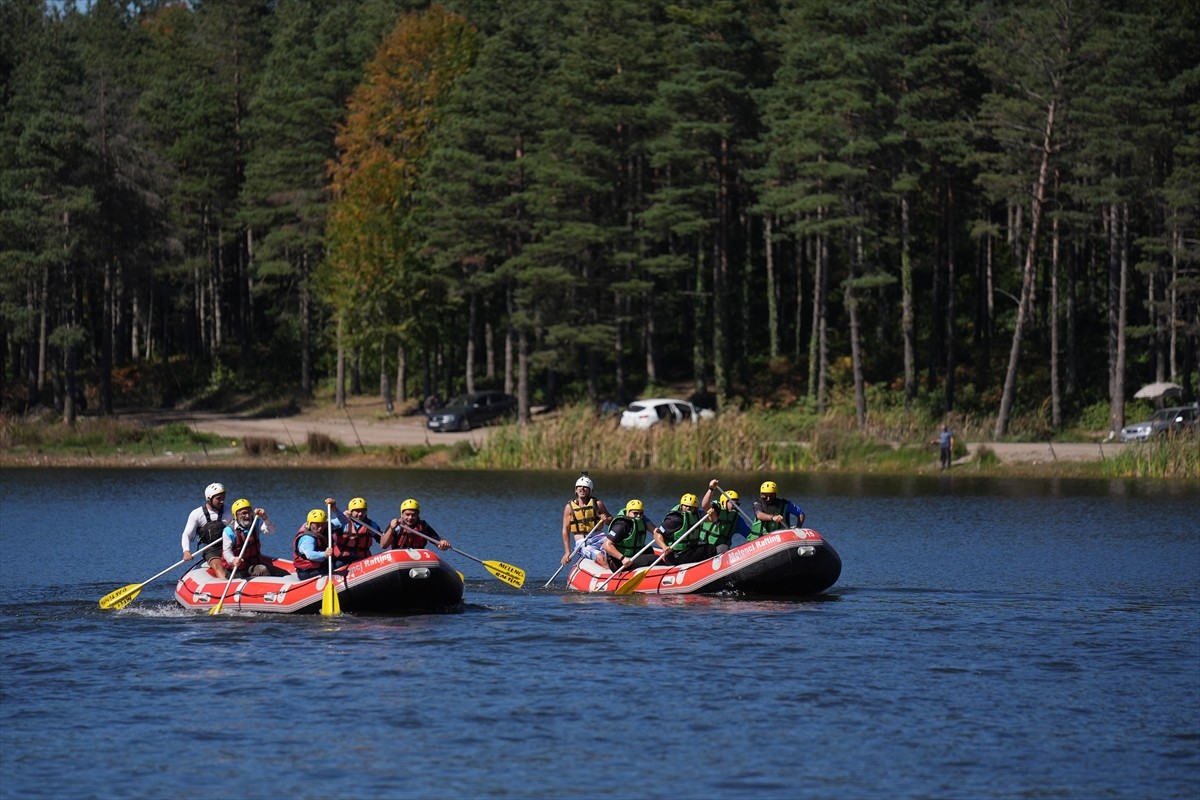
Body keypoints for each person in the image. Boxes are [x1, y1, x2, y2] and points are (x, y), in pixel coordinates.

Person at [561, 472, 613, 567]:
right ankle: (610, 573)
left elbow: (611, 520)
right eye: (579, 487)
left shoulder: (597, 504)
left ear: (590, 490)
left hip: (599, 538)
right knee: (601, 557)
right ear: (576, 490)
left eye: (585, 487)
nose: (582, 489)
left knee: (615, 551)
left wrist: (605, 518)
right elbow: (565, 529)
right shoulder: (569, 508)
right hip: (582, 541)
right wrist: (567, 552)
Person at [181, 482, 231, 579]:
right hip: (211, 549)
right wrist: (186, 551)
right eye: (218, 498)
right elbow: (187, 534)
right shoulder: (196, 514)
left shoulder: (230, 511)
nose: (222, 501)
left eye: (223, 498)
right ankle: (224, 582)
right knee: (217, 565)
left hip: (229, 546)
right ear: (209, 499)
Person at [653, 492, 718, 565]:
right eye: (685, 506)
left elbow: (713, 519)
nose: (687, 508)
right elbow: (657, 533)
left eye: (690, 507)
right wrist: (664, 546)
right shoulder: (675, 519)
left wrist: (712, 513)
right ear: (681, 506)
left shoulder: (697, 515)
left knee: (709, 547)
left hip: (689, 550)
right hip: (676, 555)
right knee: (710, 549)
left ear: (695, 509)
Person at [221, 498, 278, 578]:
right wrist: (233, 560)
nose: (247, 516)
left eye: (249, 512)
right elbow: (227, 553)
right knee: (262, 570)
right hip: (237, 570)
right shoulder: (229, 532)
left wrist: (265, 518)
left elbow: (271, 531)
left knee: (280, 573)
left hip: (253, 564)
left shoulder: (255, 523)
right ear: (236, 515)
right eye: (244, 513)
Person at [599, 499, 659, 572]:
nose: (638, 516)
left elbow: (655, 531)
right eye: (635, 513)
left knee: (649, 550)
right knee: (655, 558)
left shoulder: (642, 519)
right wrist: (623, 558)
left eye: (641, 513)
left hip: (632, 555)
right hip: (620, 561)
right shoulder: (622, 525)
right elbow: (606, 545)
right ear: (628, 512)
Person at [698, 478, 751, 553]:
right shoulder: (715, 510)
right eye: (733, 503)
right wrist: (711, 489)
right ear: (724, 502)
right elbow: (705, 505)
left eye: (737, 504)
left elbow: (749, 535)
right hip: (703, 547)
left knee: (724, 548)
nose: (735, 506)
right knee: (724, 548)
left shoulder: (736, 519)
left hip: (719, 550)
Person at [380, 499, 452, 551]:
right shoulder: (396, 525)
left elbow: (438, 543)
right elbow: (383, 545)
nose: (410, 518)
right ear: (402, 514)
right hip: (398, 556)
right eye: (407, 514)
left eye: (413, 515)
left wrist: (443, 544)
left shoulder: (423, 526)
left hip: (418, 558)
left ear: (418, 515)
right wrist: (391, 529)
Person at [327, 496, 379, 567]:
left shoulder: (371, 525)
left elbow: (381, 540)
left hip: (363, 560)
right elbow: (326, 526)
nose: (360, 514)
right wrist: (334, 508)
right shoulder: (341, 521)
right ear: (350, 511)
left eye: (363, 511)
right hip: (342, 559)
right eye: (357, 511)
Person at [293, 508, 334, 580]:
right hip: (306, 572)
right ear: (310, 524)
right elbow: (310, 555)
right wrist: (325, 554)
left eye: (322, 525)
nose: (320, 528)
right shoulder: (308, 539)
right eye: (317, 525)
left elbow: (340, 522)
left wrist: (335, 509)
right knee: (336, 565)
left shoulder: (322, 528)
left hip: (317, 566)